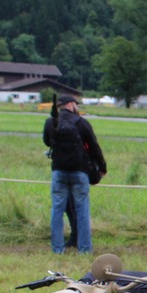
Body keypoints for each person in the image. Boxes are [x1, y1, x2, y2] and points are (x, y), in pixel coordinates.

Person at [42, 94, 105, 254]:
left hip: (58, 171)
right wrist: (102, 167)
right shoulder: (81, 123)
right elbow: (94, 146)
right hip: (79, 171)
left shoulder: (50, 123)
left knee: (57, 210)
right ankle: (84, 249)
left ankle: (57, 249)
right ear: (71, 105)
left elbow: (47, 142)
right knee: (82, 210)